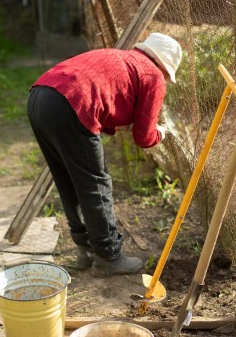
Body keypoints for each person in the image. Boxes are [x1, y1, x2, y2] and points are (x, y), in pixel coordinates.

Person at [27, 33, 183, 277]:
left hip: (40, 97)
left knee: (68, 178)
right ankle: (108, 256)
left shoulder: (123, 59)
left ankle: (86, 249)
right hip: (71, 103)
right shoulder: (153, 76)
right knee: (95, 184)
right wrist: (160, 133)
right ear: (165, 67)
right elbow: (144, 138)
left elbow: (107, 104)